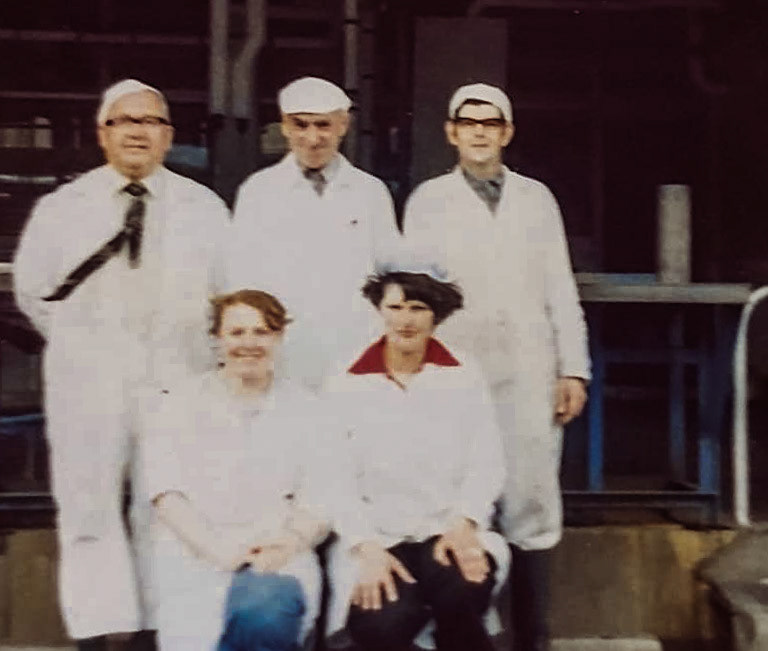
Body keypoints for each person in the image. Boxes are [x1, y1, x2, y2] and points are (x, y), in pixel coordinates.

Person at [13, 79, 230, 649]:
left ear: (169, 136)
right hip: (91, 380)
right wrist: (85, 347)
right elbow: (33, 291)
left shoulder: (204, 209)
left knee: (167, 501)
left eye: (151, 121)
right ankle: (100, 628)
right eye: (124, 121)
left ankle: (158, 628)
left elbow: (229, 294)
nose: (138, 131)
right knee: (88, 502)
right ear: (101, 133)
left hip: (175, 378)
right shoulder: (63, 208)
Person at [401, 83, 590, 651]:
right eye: (468, 122)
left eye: (491, 123)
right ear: (451, 131)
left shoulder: (537, 199)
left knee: (530, 500)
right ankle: (474, 634)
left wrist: (573, 369)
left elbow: (560, 287)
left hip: (531, 370)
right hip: (456, 370)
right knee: (462, 497)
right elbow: (413, 296)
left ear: (507, 133)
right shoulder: (427, 200)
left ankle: (534, 635)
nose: (479, 131)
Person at [324, 269, 508, 651]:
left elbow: (486, 461)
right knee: (382, 625)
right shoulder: (346, 381)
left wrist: (463, 523)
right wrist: (366, 547)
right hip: (379, 537)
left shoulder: (463, 374)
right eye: (394, 307)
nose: (405, 320)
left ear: (435, 316)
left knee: (464, 590)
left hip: (445, 530)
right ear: (379, 310)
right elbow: (333, 477)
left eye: (417, 308)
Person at [143, 289, 333, 651]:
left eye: (262, 332)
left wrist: (289, 543)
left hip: (275, 556)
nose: (249, 343)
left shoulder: (309, 410)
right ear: (217, 339)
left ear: (279, 337)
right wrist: (218, 549)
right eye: (237, 332)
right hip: (196, 554)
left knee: (264, 615)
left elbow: (323, 495)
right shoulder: (178, 404)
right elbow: (166, 493)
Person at [228, 76, 400, 391]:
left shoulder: (370, 192)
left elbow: (391, 276)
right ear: (284, 126)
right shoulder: (258, 192)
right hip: (283, 350)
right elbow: (241, 280)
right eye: (301, 125)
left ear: (343, 125)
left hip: (355, 344)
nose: (312, 138)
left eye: (323, 125)